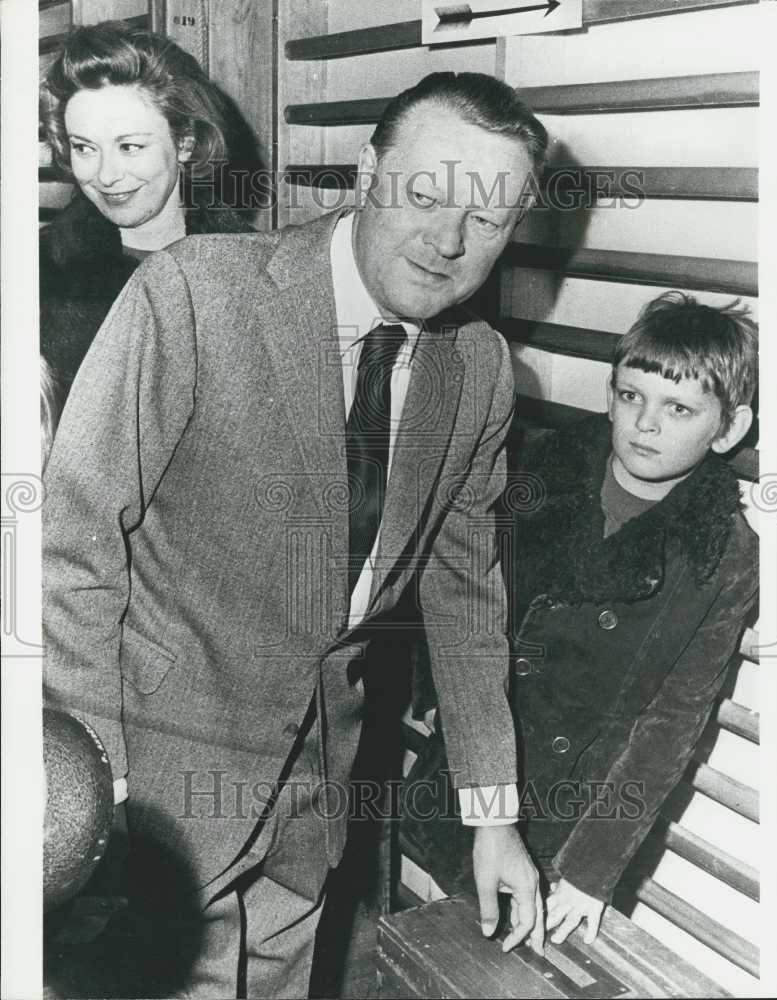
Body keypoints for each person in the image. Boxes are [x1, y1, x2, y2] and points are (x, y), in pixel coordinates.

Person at [43, 72, 549, 997]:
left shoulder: (478, 370)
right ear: (366, 172)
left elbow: (467, 602)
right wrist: (91, 792)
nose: (448, 240)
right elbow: (71, 543)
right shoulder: (197, 292)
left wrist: (492, 815)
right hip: (151, 802)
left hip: (314, 806)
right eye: (425, 193)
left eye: (490, 218)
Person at [401, 291, 759, 946]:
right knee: (423, 933)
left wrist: (592, 870)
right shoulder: (544, 474)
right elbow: (460, 590)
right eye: (629, 396)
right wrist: (433, 696)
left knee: (504, 962)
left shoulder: (725, 557)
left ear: (728, 428)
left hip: (571, 805)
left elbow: (672, 721)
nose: (643, 424)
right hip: (477, 755)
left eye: (677, 408)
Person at [39, 20, 253, 397]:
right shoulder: (34, 274)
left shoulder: (256, 268)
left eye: (130, 147)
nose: (106, 175)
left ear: (185, 143)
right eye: (85, 148)